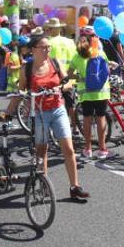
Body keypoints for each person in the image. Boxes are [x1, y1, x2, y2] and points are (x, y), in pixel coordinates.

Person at [20, 34, 89, 200]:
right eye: (43, 47)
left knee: (69, 149)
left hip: (58, 109)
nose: (47, 50)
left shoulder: (54, 62)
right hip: (40, 113)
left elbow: (69, 81)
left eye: (48, 47)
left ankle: (75, 187)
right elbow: (21, 91)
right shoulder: (27, 69)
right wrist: (12, 109)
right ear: (33, 50)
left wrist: (61, 87)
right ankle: (43, 185)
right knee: (42, 151)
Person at [67, 35, 114, 160]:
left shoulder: (77, 56)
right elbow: (106, 70)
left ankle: (87, 149)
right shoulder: (100, 53)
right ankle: (102, 149)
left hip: (85, 93)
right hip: (101, 93)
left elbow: (69, 74)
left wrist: (81, 78)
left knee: (87, 119)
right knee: (100, 118)